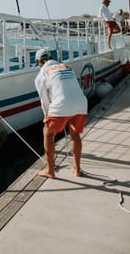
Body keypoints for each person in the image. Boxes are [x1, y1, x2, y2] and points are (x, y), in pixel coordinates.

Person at [34, 48, 88, 179]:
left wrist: (47, 115)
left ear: (39, 62)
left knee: (48, 134)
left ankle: (50, 170)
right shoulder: (67, 67)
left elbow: (44, 100)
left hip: (61, 104)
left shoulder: (41, 75)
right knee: (75, 134)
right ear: (52, 58)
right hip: (81, 102)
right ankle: (77, 169)